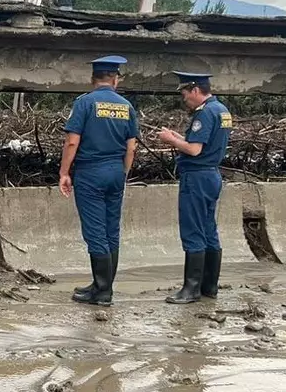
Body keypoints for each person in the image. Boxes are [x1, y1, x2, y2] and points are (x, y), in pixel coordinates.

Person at [59, 56, 138, 307]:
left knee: (95, 232)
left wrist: (64, 172)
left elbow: (72, 141)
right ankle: (102, 285)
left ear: (93, 79)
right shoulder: (126, 106)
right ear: (116, 79)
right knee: (111, 231)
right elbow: (132, 147)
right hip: (116, 171)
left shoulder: (85, 103)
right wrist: (123, 172)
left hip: (91, 172)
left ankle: (103, 292)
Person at [156, 72, 232, 305]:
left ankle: (191, 289)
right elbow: (201, 143)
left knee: (193, 231)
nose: (184, 98)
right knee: (209, 230)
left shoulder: (205, 113)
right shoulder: (221, 110)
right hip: (212, 175)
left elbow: (195, 150)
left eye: (185, 93)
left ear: (196, 90)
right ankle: (210, 286)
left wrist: (170, 141)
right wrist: (177, 136)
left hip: (197, 177)